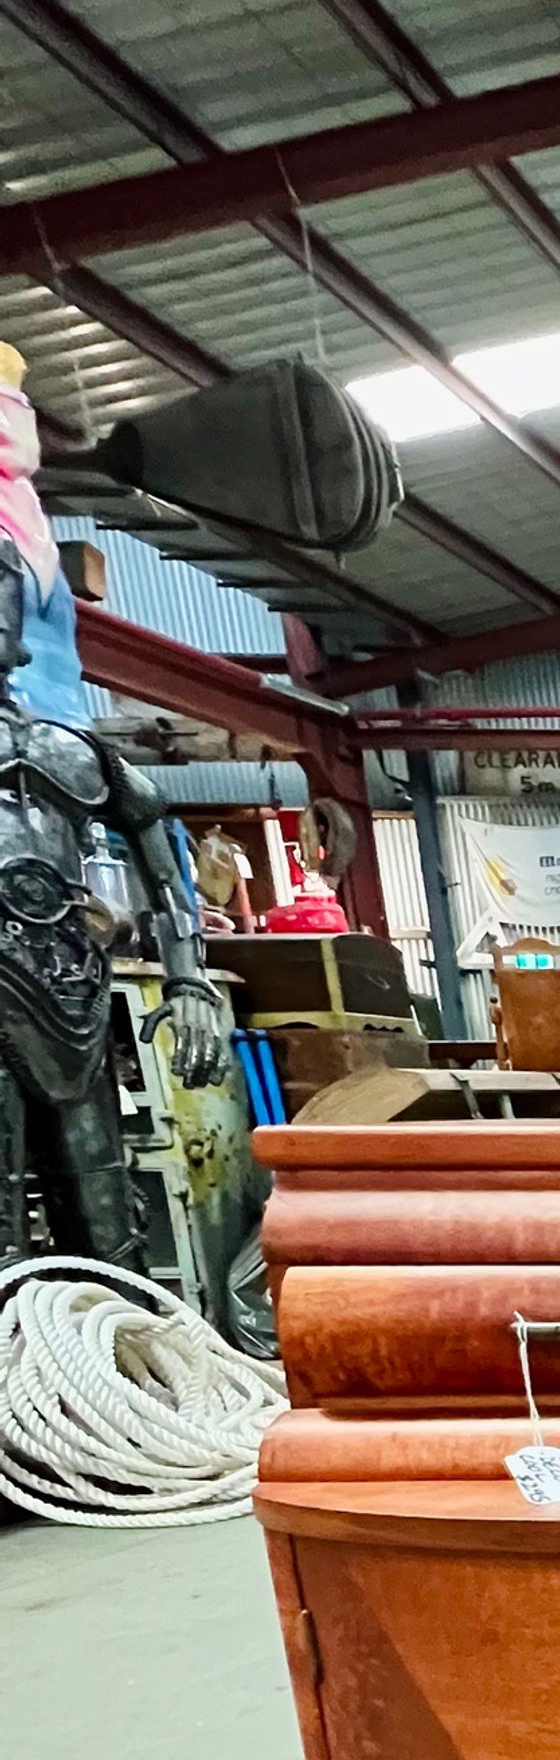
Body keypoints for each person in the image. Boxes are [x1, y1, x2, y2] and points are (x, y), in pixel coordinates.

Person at [0, 343, 225, 1269]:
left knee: (107, 1235)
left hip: (72, 1004)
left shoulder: (73, 754)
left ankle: (129, 1387)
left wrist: (188, 979)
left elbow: (162, 861)